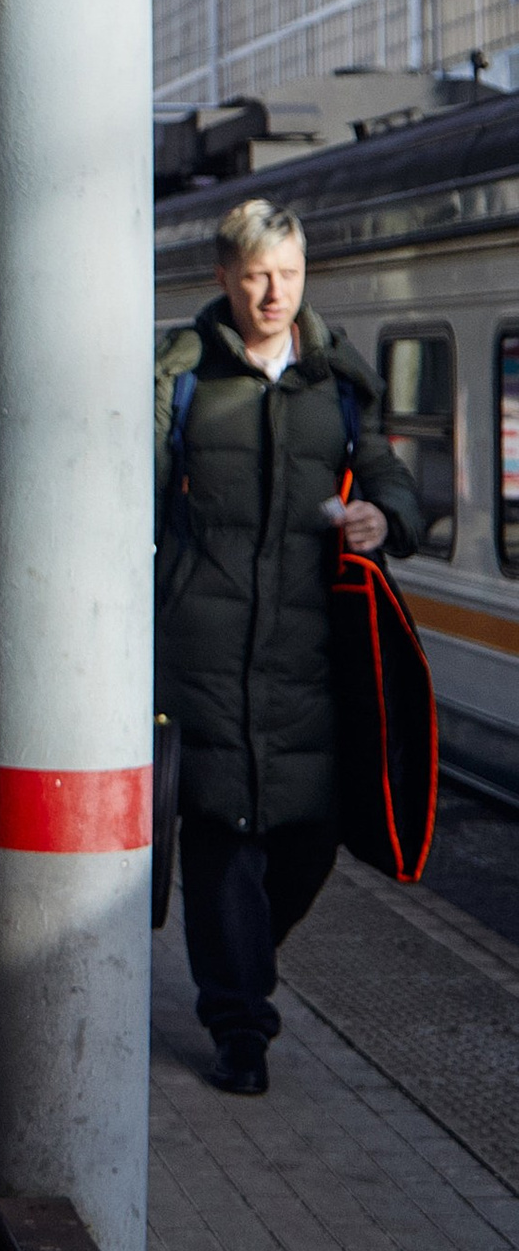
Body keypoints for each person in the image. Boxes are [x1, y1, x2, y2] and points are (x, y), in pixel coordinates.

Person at [156, 196, 418, 1097]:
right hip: (204, 647)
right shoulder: (184, 379)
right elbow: (138, 492)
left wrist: (389, 515)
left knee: (311, 837)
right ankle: (240, 1028)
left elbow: (383, 468)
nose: (275, 292)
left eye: (291, 274)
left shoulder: (336, 381)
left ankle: (237, 962)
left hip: (310, 649)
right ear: (225, 277)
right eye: (258, 274)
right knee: (224, 838)